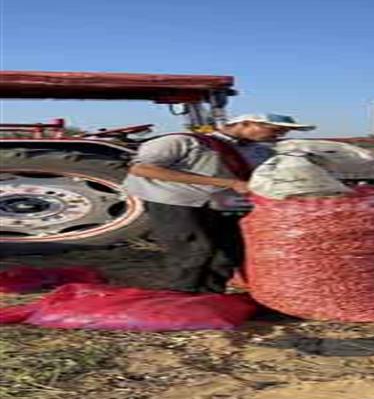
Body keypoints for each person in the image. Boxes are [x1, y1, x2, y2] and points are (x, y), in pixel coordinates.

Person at [123, 113, 315, 293]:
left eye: (283, 132)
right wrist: (229, 183)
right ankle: (183, 296)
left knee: (230, 250)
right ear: (245, 124)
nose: (279, 135)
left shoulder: (261, 151)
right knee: (194, 250)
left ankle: (212, 295)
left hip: (228, 200)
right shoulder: (182, 141)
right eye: (274, 130)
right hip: (176, 199)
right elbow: (142, 169)